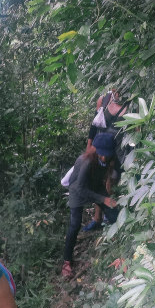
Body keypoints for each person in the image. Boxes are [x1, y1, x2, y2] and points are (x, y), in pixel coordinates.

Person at [61, 133, 119, 278]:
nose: (104, 158)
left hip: (95, 187)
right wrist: (102, 198)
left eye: (107, 154)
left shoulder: (110, 157)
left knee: (113, 211)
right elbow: (80, 188)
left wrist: (106, 197)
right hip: (78, 190)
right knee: (74, 225)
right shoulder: (86, 161)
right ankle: (66, 261)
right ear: (95, 150)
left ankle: (119, 240)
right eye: (101, 154)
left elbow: (109, 174)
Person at [83, 90, 127, 232]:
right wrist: (89, 145)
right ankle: (97, 218)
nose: (117, 91)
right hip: (101, 147)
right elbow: (94, 125)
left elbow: (135, 130)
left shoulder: (130, 104)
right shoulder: (104, 99)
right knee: (98, 180)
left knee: (112, 180)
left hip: (117, 149)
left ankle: (108, 215)